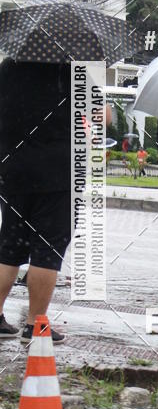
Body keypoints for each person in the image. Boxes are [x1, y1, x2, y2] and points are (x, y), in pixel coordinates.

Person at [0, 61, 110, 344]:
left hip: (13, 171)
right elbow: (104, 117)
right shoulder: (73, 73)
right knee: (47, 251)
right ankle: (34, 326)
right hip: (59, 175)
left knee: (9, 248)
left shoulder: (8, 68)